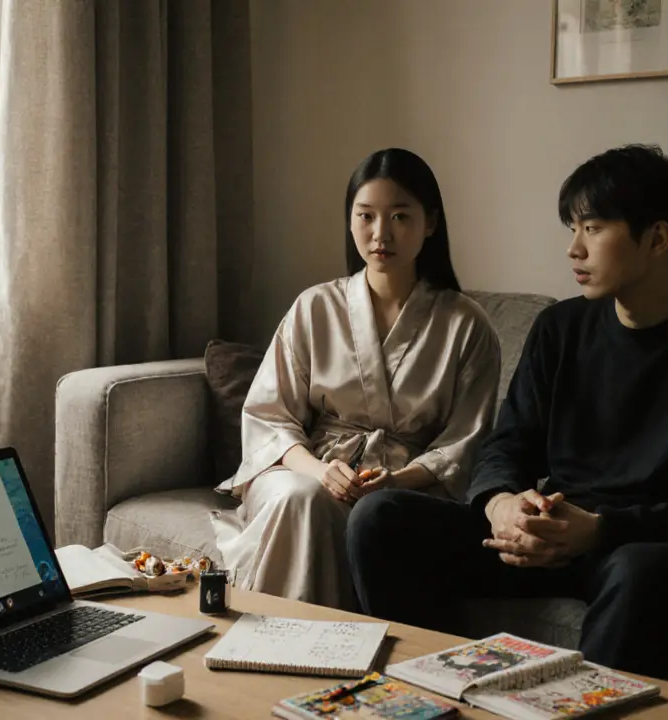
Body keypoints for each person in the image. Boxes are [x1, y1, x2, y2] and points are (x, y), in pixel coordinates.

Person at [347, 144, 668, 677]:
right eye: (571, 229)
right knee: (380, 518)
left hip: (650, 545)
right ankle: (428, 694)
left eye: (594, 229)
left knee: (641, 571)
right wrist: (502, 504)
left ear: (658, 238)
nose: (573, 250)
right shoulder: (560, 329)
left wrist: (601, 529)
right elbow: (508, 442)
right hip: (554, 532)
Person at [210, 148, 502, 610]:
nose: (380, 233)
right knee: (299, 499)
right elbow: (270, 415)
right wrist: (321, 471)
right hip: (305, 469)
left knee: (371, 515)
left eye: (400, 217)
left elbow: (467, 440)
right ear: (350, 221)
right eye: (366, 216)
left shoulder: (466, 324)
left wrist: (396, 481)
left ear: (430, 223)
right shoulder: (314, 307)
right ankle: (278, 647)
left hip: (405, 485)